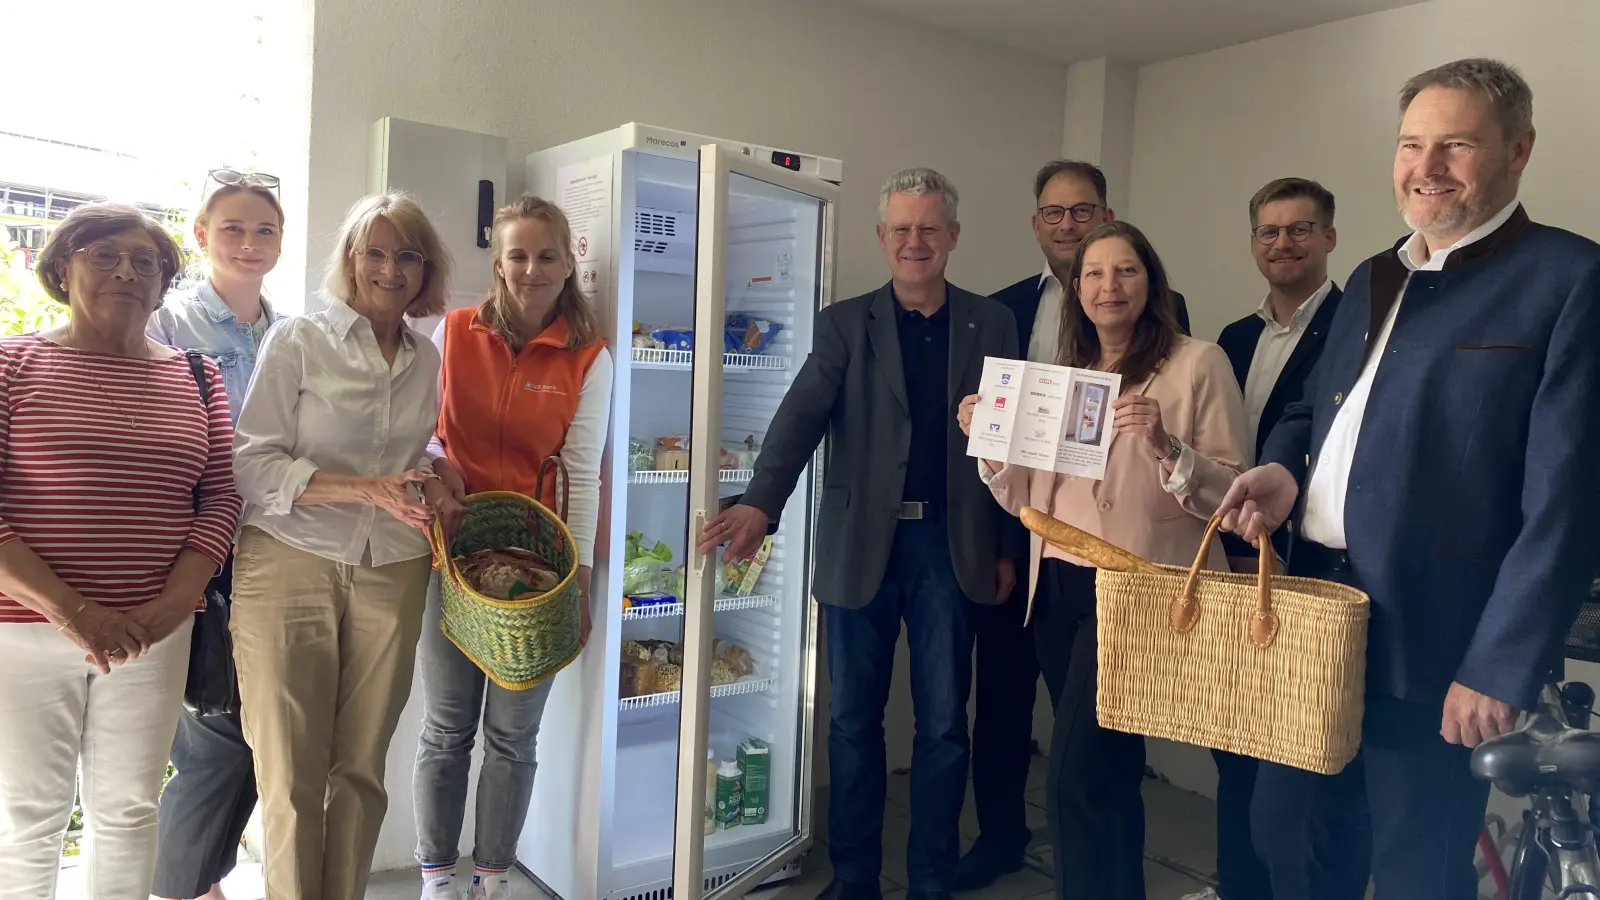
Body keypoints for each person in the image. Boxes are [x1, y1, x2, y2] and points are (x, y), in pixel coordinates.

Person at [1217, 58, 1600, 900]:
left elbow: (1568, 505)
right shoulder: (1369, 278)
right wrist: (1282, 469)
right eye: (1410, 144)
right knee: (1290, 840)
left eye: (1454, 145)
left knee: (1417, 867)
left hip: (1437, 644)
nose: (1425, 167)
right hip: (1314, 614)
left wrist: (1498, 667)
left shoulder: (1569, 280)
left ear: (1518, 150)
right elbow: (1317, 414)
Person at [699, 168, 1022, 900]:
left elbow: (1010, 444)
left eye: (929, 229)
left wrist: (1006, 545)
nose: (915, 242)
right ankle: (853, 878)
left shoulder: (993, 324)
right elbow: (801, 414)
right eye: (902, 229)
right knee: (851, 723)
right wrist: (759, 501)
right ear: (882, 238)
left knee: (944, 727)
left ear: (953, 237)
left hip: (953, 546)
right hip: (859, 549)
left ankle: (931, 879)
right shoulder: (845, 323)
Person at [959, 220, 1248, 900]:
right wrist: (990, 441)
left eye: (1125, 272)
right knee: (1110, 767)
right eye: (1093, 274)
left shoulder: (1198, 363)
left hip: (1137, 589)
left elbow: (1232, 494)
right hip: (1057, 585)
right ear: (1075, 289)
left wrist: (1166, 445)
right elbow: (1024, 498)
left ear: (1151, 284)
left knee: (1076, 775)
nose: (1107, 287)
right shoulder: (1065, 378)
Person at [0, 203, 242, 898]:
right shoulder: (13, 363)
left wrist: (172, 606)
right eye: (104, 256)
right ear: (62, 267)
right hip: (25, 630)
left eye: (147, 262)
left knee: (130, 811)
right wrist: (75, 612)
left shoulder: (198, 376)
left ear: (165, 282)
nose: (127, 272)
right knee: (27, 819)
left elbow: (221, 496)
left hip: (152, 635)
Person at [230, 192, 454, 900]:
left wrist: (440, 479)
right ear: (350, 260)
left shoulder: (426, 358)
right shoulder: (299, 339)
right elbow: (251, 466)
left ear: (426, 270)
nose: (390, 268)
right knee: (290, 774)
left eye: (408, 254)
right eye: (375, 252)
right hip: (289, 560)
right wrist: (365, 489)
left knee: (361, 769)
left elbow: (420, 448)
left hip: (394, 566)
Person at [413, 195, 613, 900]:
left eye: (546, 255)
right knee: (445, 731)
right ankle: (438, 879)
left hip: (540, 574)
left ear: (569, 265)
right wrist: (441, 465)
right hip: (454, 559)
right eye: (518, 255)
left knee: (511, 737)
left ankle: (493, 878)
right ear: (498, 264)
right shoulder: (455, 331)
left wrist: (580, 586)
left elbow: (583, 473)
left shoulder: (588, 357)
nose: (531, 269)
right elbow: (425, 432)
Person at [1195, 177, 1344, 900]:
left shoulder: (1358, 328)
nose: (1283, 243)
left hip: (1308, 570)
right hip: (1229, 561)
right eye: (1269, 231)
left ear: (1329, 239)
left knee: (1296, 757)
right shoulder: (1234, 337)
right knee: (1234, 742)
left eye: (1299, 229)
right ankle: (1237, 885)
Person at [149, 167, 287, 900]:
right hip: (196, 557)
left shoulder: (287, 329)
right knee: (213, 736)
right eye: (232, 227)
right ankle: (186, 888)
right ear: (201, 235)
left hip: (272, 555)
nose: (249, 242)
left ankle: (202, 881)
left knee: (254, 737)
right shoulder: (168, 323)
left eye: (264, 228)